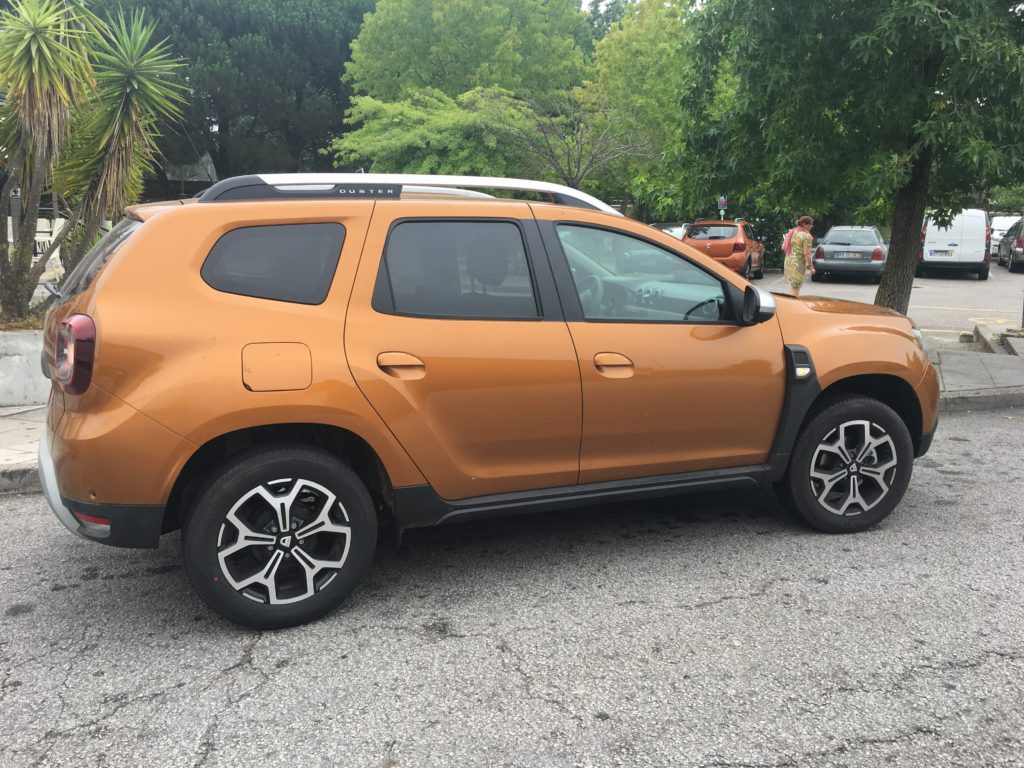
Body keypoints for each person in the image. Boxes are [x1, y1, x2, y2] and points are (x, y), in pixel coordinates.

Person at [782, 215, 815, 296]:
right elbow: (807, 253)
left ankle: (791, 305)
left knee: (792, 286)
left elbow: (783, 247)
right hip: (798, 265)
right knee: (795, 288)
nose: (812, 226)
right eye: (810, 224)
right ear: (804, 224)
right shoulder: (807, 236)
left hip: (788, 262)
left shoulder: (792, 232)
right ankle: (793, 306)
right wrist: (810, 267)